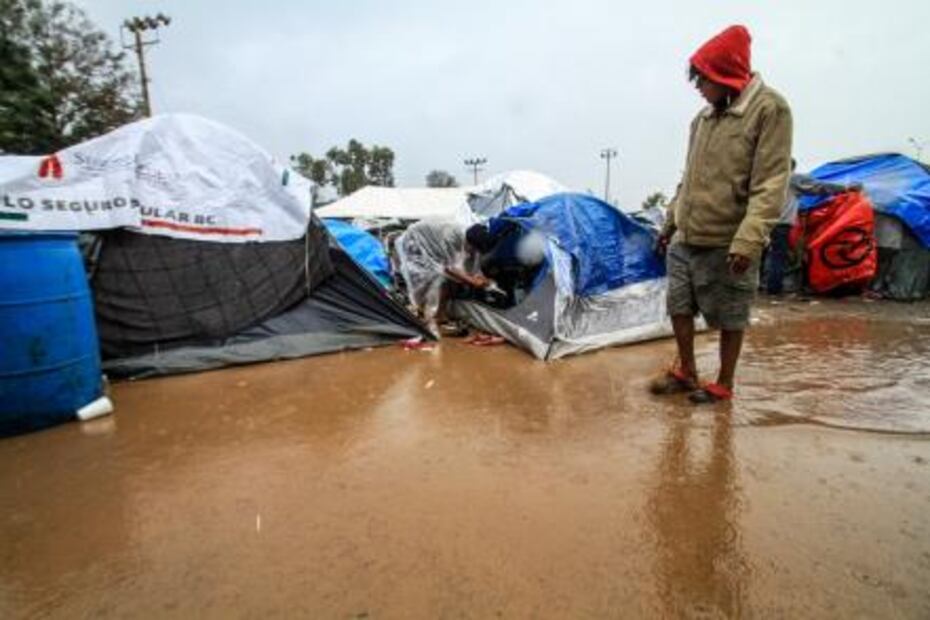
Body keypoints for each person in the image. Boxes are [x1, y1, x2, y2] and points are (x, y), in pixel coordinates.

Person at [652, 25, 792, 404]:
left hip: (729, 236)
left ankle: (724, 383)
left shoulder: (770, 110)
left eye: (703, 80)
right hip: (687, 236)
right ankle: (687, 370)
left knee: (731, 313)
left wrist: (748, 238)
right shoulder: (702, 120)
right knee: (678, 305)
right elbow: (689, 178)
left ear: (724, 75)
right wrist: (670, 222)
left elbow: (770, 182)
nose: (698, 87)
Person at [765, 159, 861, 294]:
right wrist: (845, 188)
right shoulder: (792, 178)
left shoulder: (768, 179)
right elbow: (818, 187)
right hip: (781, 223)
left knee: (767, 253)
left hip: (765, 221)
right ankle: (774, 288)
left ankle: (764, 284)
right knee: (778, 255)